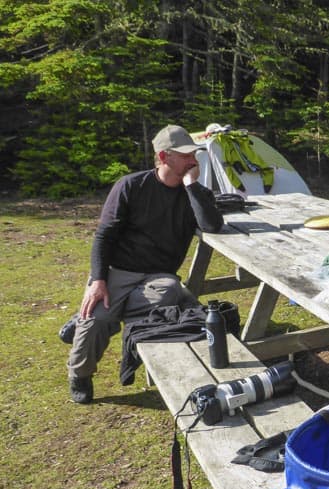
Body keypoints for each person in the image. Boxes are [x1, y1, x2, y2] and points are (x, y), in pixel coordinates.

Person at [66, 124, 224, 404]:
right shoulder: (130, 186)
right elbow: (104, 235)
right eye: (185, 155)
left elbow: (211, 224)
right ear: (164, 157)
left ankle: (104, 315)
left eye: (194, 153)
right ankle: (80, 373)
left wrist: (191, 185)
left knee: (171, 291)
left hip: (158, 277)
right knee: (95, 322)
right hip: (118, 271)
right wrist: (98, 281)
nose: (193, 159)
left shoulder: (195, 193)